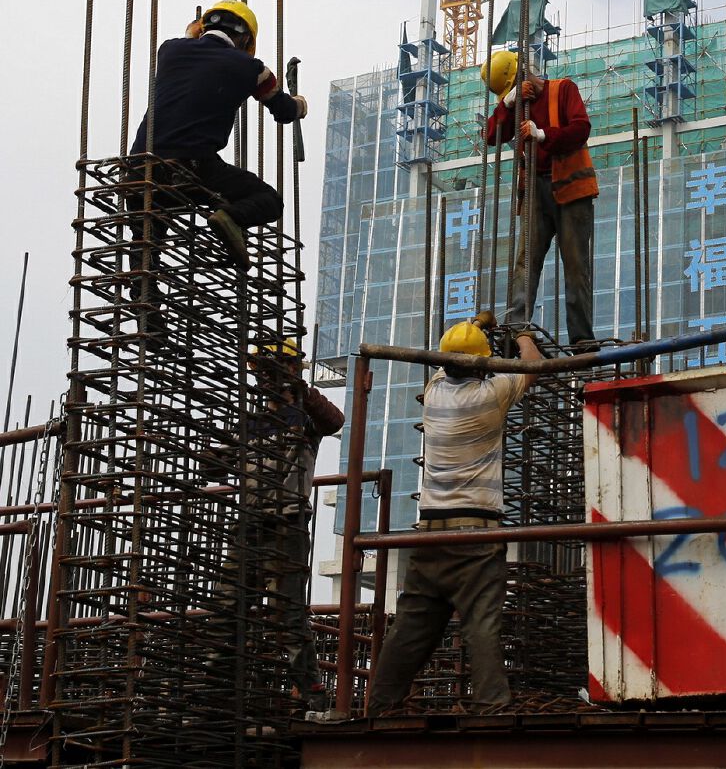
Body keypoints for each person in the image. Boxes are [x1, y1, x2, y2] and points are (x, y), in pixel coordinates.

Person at [367, 315, 541, 717]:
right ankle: (490, 705)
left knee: (411, 626)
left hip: (428, 533)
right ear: (482, 364)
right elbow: (532, 364)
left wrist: (477, 323)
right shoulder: (491, 395)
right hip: (475, 535)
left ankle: (380, 706)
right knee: (481, 622)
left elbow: (460, 354)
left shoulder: (433, 393)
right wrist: (523, 332)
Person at [128, 0, 307, 282]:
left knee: (147, 243)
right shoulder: (252, 68)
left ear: (204, 28)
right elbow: (284, 111)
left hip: (139, 168)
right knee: (268, 200)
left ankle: (144, 294)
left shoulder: (169, 50)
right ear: (246, 38)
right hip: (192, 166)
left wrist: (192, 33)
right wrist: (300, 105)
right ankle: (231, 217)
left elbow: (188, 42)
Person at [210, 339, 345, 714]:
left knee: (287, 613)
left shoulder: (304, 416)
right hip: (250, 524)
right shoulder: (250, 423)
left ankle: (311, 691)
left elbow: (335, 420)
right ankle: (213, 690)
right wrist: (213, 447)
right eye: (263, 372)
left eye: (274, 372)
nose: (267, 379)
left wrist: (301, 391)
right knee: (228, 608)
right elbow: (213, 467)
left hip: (288, 523)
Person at [486, 67, 598, 348]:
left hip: (571, 190)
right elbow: (490, 137)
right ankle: (516, 329)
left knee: (575, 266)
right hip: (536, 189)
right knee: (526, 262)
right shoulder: (517, 106)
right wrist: (508, 103)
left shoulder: (563, 89)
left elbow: (581, 128)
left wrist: (544, 135)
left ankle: (581, 339)